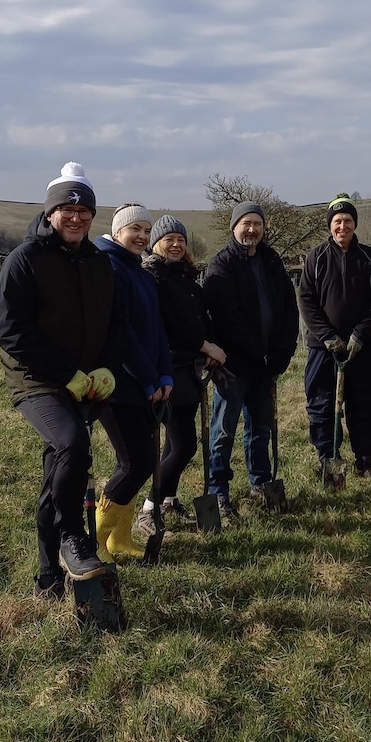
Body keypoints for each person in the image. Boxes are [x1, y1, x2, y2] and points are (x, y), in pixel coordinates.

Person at [0, 161, 117, 600]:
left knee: (57, 473)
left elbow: (107, 324)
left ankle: (48, 577)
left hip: (84, 381)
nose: (77, 217)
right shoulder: (25, 260)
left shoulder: (98, 264)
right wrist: (68, 374)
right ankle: (71, 535)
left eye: (85, 211)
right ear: (51, 213)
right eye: (68, 208)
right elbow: (11, 334)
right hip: (36, 379)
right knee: (72, 445)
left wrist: (104, 370)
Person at [202, 201, 299, 521]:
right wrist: (259, 353)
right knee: (223, 432)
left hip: (266, 366)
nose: (252, 229)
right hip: (233, 366)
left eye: (257, 223)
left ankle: (260, 484)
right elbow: (228, 320)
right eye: (246, 223)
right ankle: (219, 494)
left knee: (260, 429)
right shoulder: (221, 266)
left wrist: (282, 353)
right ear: (234, 227)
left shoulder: (272, 261)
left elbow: (289, 310)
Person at [93, 203, 174, 560]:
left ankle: (119, 539)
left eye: (146, 230)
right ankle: (92, 539)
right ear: (118, 231)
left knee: (135, 462)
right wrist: (146, 379)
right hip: (119, 386)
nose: (141, 236)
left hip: (147, 384)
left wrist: (165, 374)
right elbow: (121, 333)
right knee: (135, 464)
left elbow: (156, 330)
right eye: (134, 229)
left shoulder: (139, 271)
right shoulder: (109, 266)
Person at [135, 215, 226, 533]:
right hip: (167, 369)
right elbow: (171, 325)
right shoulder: (153, 277)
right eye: (169, 239)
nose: (176, 245)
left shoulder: (186, 277)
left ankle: (169, 499)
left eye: (181, 240)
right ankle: (148, 508)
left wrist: (211, 345)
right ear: (156, 243)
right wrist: (206, 346)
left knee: (176, 444)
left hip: (190, 368)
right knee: (184, 444)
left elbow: (201, 316)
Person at [298, 193, 371, 479]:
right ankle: (328, 458)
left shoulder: (370, 258)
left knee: (365, 405)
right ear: (330, 225)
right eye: (337, 221)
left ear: (354, 224)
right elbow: (307, 300)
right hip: (323, 350)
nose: (342, 226)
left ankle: (367, 461)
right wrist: (326, 336)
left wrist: (360, 335)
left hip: (360, 349)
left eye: (347, 220)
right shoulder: (316, 257)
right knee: (322, 407)